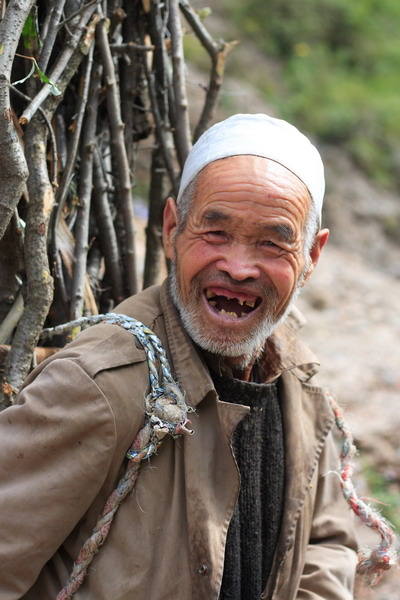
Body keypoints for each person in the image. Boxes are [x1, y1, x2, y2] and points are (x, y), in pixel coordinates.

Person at [0, 114, 358, 599]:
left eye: (273, 242)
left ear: (312, 257)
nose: (238, 267)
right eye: (215, 233)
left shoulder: (297, 385)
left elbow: (324, 541)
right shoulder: (101, 386)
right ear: (172, 229)